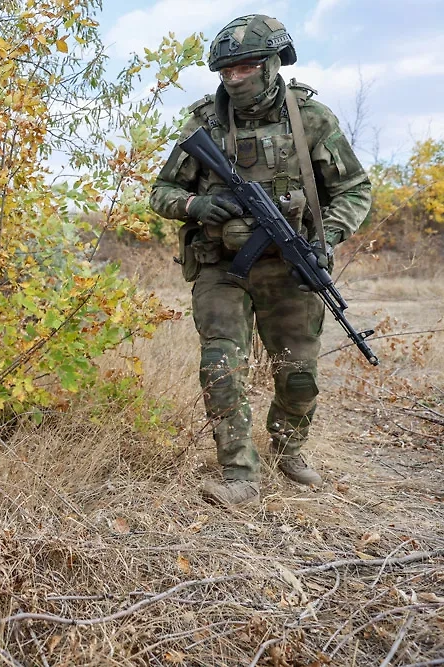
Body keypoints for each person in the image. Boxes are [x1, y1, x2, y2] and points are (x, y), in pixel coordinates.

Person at [149, 15, 371, 506]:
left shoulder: (312, 120)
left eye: (246, 67)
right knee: (220, 363)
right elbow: (162, 190)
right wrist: (195, 205)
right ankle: (238, 473)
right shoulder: (203, 121)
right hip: (220, 267)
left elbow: (354, 190)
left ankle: (288, 448)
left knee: (299, 374)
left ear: (274, 63)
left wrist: (327, 235)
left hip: (290, 266)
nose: (235, 78)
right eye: (226, 71)